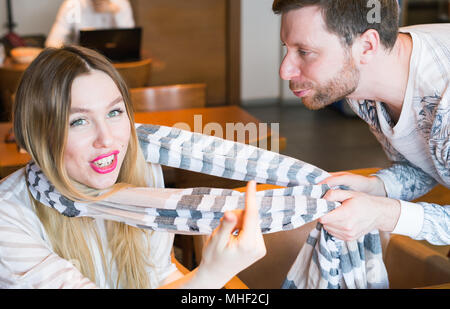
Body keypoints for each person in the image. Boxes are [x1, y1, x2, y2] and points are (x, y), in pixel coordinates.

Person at [0, 45, 266, 288]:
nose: (107, 139)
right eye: (78, 121)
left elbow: (158, 275)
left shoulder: (143, 173)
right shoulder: (8, 214)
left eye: (114, 112)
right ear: (38, 134)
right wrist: (210, 275)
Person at [272, 0, 449, 245]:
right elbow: (428, 163)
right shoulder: (361, 83)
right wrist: (376, 187)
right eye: (287, 48)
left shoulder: (444, 96)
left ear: (366, 46)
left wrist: (384, 213)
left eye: (304, 52)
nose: (285, 70)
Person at [45, 0, 135, 48]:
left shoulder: (121, 4)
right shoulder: (73, 4)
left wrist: (116, 12)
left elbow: (130, 42)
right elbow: (53, 42)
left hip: (118, 63)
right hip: (83, 64)